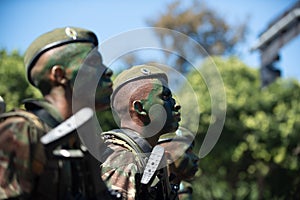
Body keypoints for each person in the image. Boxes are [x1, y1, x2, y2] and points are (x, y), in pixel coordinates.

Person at [0, 27, 113, 199]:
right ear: (59, 75)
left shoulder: (81, 140)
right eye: (93, 63)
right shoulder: (21, 130)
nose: (108, 71)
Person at [100, 64, 181, 200]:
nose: (176, 104)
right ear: (139, 108)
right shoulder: (123, 160)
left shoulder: (146, 158)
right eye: (166, 97)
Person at [158, 127, 200, 200]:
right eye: (187, 151)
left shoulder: (182, 191)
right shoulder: (149, 190)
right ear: (167, 157)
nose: (196, 158)